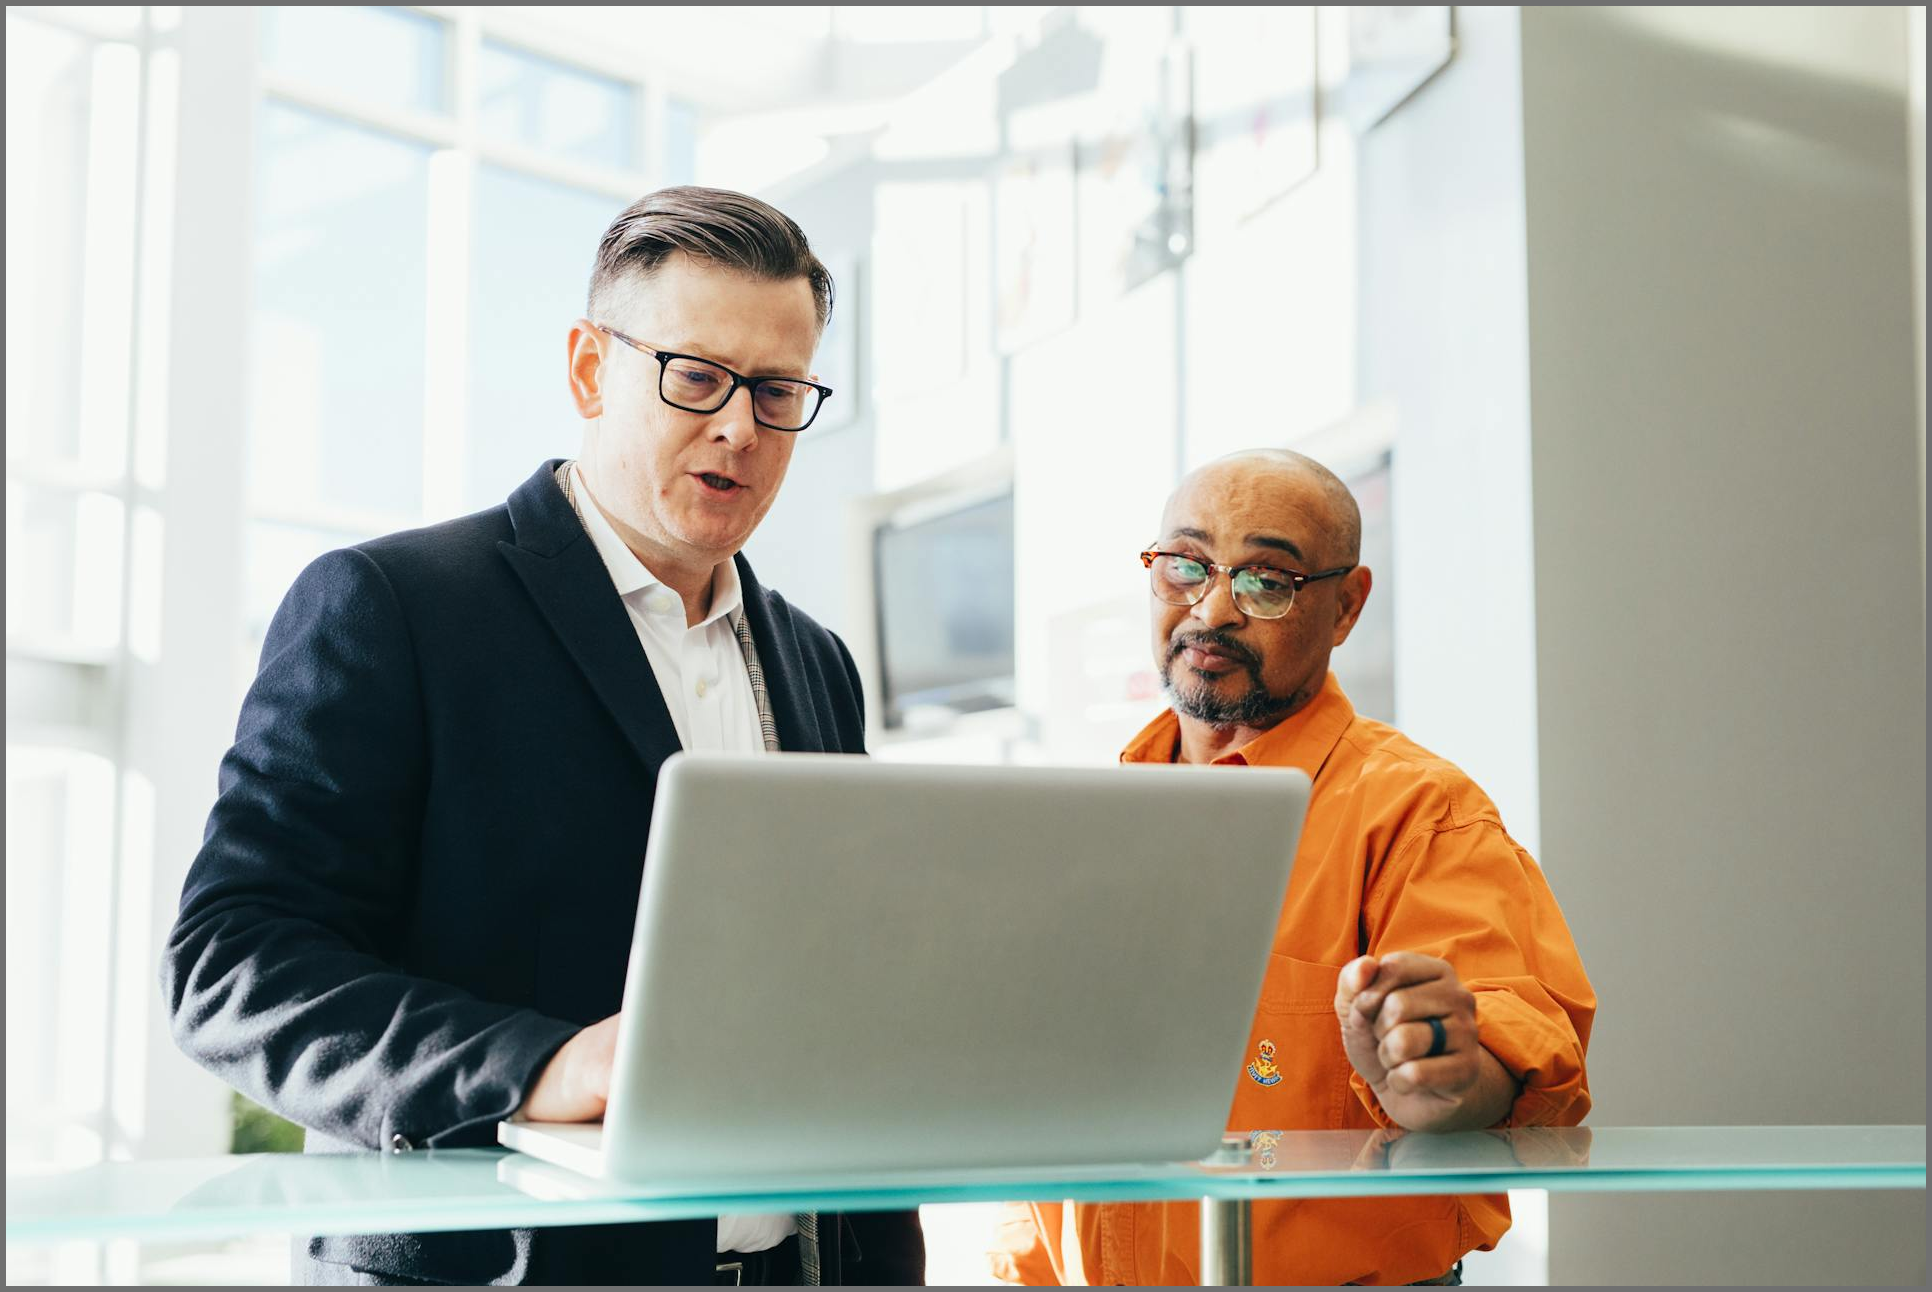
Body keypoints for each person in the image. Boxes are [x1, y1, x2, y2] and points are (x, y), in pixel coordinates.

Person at [161, 187, 925, 1286]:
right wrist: (543, 1065)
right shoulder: (392, 605)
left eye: (777, 389)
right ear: (587, 369)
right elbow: (232, 963)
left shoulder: (817, 661)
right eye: (695, 376)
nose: (738, 428)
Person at [989, 450, 1595, 1287]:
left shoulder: (1420, 813)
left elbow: (1508, 1054)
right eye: (1185, 567)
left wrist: (1441, 1079)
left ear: (1346, 606)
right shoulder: (1096, 819)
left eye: (1266, 581)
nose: (1212, 610)